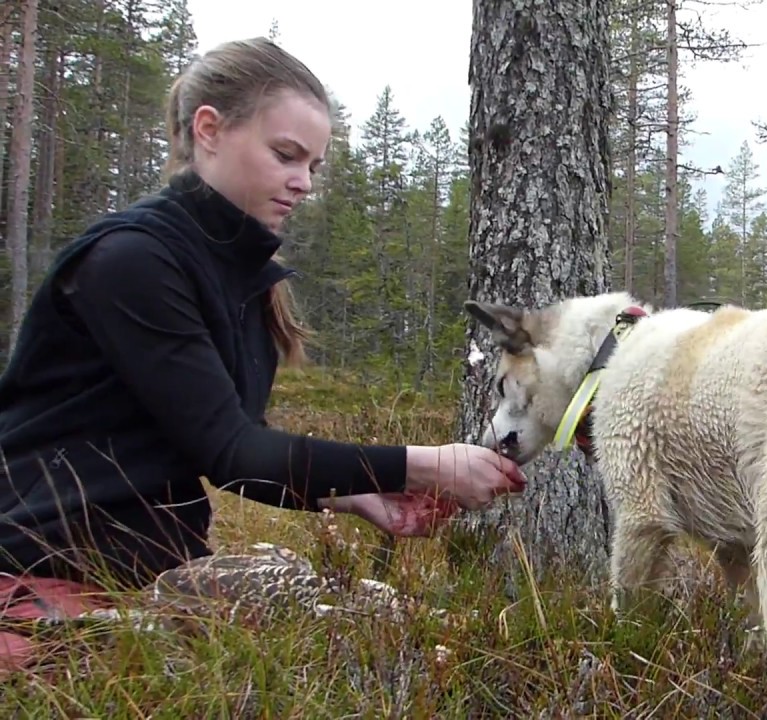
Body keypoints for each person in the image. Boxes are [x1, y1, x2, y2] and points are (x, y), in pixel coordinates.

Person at [0, 37, 525, 669]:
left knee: (399, 631)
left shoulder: (238, 272)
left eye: (315, 166)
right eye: (286, 155)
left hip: (152, 580)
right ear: (210, 129)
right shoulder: (131, 261)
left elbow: (228, 439)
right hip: (39, 575)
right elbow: (230, 452)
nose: (302, 182)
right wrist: (424, 464)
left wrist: (356, 495)